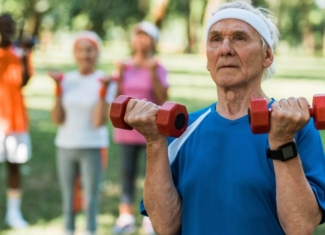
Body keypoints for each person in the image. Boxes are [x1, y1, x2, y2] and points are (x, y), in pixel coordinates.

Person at [120, 1, 325, 234]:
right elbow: (165, 227)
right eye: (215, 39)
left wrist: (282, 141)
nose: (225, 49)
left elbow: (301, 227)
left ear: (267, 55)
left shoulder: (296, 127)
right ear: (208, 58)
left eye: (239, 38)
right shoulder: (183, 130)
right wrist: (155, 142)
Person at [50, 31, 116, 235]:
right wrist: (58, 89)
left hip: (92, 146)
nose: (85, 55)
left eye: (89, 50)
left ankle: (90, 231)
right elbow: (57, 119)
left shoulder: (104, 81)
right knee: (68, 197)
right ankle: (68, 230)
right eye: (80, 50)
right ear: (75, 53)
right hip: (65, 145)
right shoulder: (66, 80)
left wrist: (103, 92)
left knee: (91, 197)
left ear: (96, 53)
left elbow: (98, 121)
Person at [112, 21, 169, 234]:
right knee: (126, 174)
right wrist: (118, 74)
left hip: (149, 131)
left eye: (145, 36)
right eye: (138, 35)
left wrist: (153, 72)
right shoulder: (124, 66)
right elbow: (116, 96)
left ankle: (150, 218)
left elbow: (163, 98)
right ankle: (125, 217)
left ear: (153, 41)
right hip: (126, 130)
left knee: (151, 175)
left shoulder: (159, 67)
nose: (141, 40)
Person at [0, 13, 33, 229]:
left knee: (15, 167)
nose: (8, 29)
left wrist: (24, 55)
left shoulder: (19, 51)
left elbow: (24, 80)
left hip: (16, 119)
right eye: (4, 25)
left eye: (11, 25)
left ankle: (13, 212)